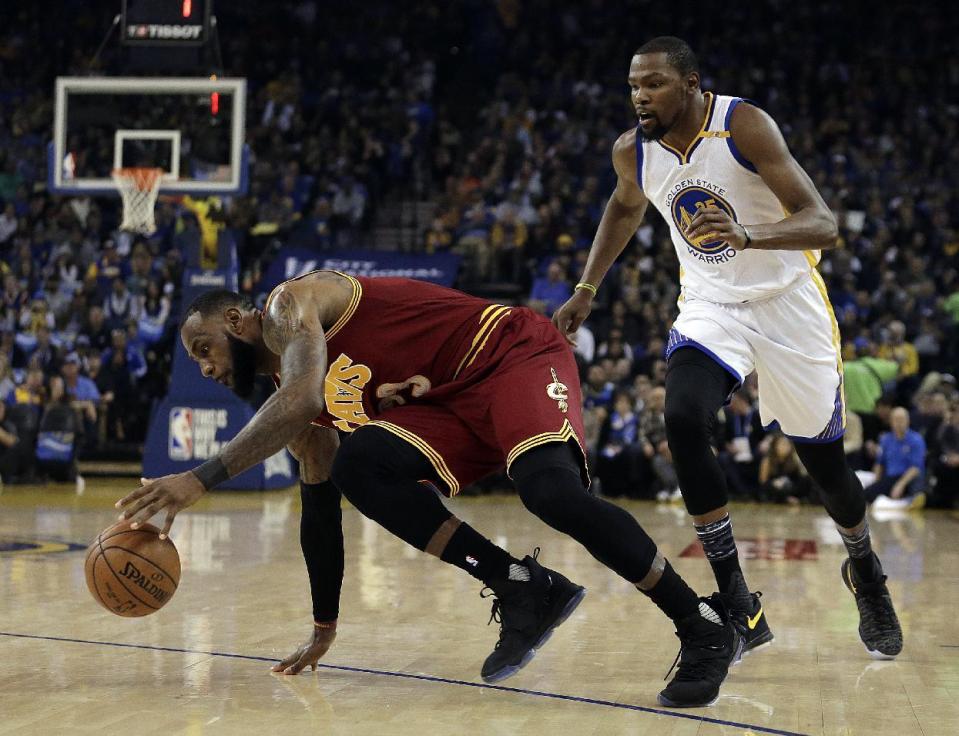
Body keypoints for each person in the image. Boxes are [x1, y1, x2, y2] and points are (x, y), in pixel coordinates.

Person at [116, 271, 742, 708]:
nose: (204, 367)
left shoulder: (290, 305)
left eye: (205, 348)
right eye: (194, 360)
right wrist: (324, 623)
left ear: (236, 320)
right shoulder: (298, 412)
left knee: (547, 492)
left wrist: (197, 479)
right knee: (355, 464)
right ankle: (521, 585)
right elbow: (319, 505)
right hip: (447, 406)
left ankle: (704, 623)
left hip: (507, 355)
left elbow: (303, 394)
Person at [553, 36, 902, 660]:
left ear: (691, 83)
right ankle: (736, 596)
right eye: (634, 85)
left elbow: (825, 224)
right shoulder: (632, 151)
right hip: (712, 307)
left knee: (825, 468)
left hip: (789, 302)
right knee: (683, 416)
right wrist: (586, 287)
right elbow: (624, 208)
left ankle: (866, 571)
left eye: (654, 83)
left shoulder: (742, 124)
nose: (640, 96)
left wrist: (747, 233)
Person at [864, 407, 927, 506]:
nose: (899, 423)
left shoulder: (916, 440)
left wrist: (900, 485)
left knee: (915, 481)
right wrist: (876, 482)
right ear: (891, 422)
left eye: (902, 419)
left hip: (908, 478)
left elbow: (916, 467)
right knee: (868, 493)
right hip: (890, 477)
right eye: (896, 419)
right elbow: (879, 463)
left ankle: (909, 500)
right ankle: (903, 503)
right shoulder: (885, 440)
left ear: (908, 421)